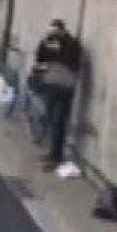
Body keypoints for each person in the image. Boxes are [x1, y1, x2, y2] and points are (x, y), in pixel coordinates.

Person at [33, 18, 82, 168]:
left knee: (59, 121)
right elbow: (40, 57)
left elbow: (70, 60)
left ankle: (56, 155)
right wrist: (45, 42)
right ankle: (52, 152)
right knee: (50, 118)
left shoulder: (72, 44)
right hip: (51, 84)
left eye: (56, 31)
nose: (54, 34)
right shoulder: (49, 41)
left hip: (64, 87)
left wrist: (58, 47)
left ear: (62, 31)